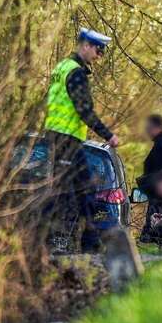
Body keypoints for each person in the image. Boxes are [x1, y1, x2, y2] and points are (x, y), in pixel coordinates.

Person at [42, 28, 121, 254]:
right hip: (67, 139)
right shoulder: (75, 73)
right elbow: (84, 110)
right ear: (85, 45)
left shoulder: (60, 68)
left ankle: (75, 242)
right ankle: (96, 241)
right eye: (98, 50)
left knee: (69, 193)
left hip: (56, 138)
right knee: (83, 190)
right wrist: (108, 135)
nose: (99, 56)